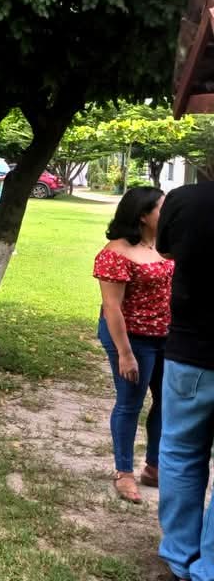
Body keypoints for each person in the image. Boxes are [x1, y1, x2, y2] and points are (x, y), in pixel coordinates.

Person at [92, 187, 171, 503]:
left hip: (166, 335)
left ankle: (153, 466)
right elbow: (112, 308)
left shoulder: (163, 244)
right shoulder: (116, 253)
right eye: (162, 208)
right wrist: (125, 354)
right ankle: (123, 473)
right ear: (142, 215)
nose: (168, 213)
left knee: (167, 400)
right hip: (131, 337)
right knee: (130, 402)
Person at [156, 179, 214, 581]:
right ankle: (209, 567)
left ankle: (180, 554)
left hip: (190, 350)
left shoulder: (185, 200)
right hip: (189, 349)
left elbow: (165, 250)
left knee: (180, 451)